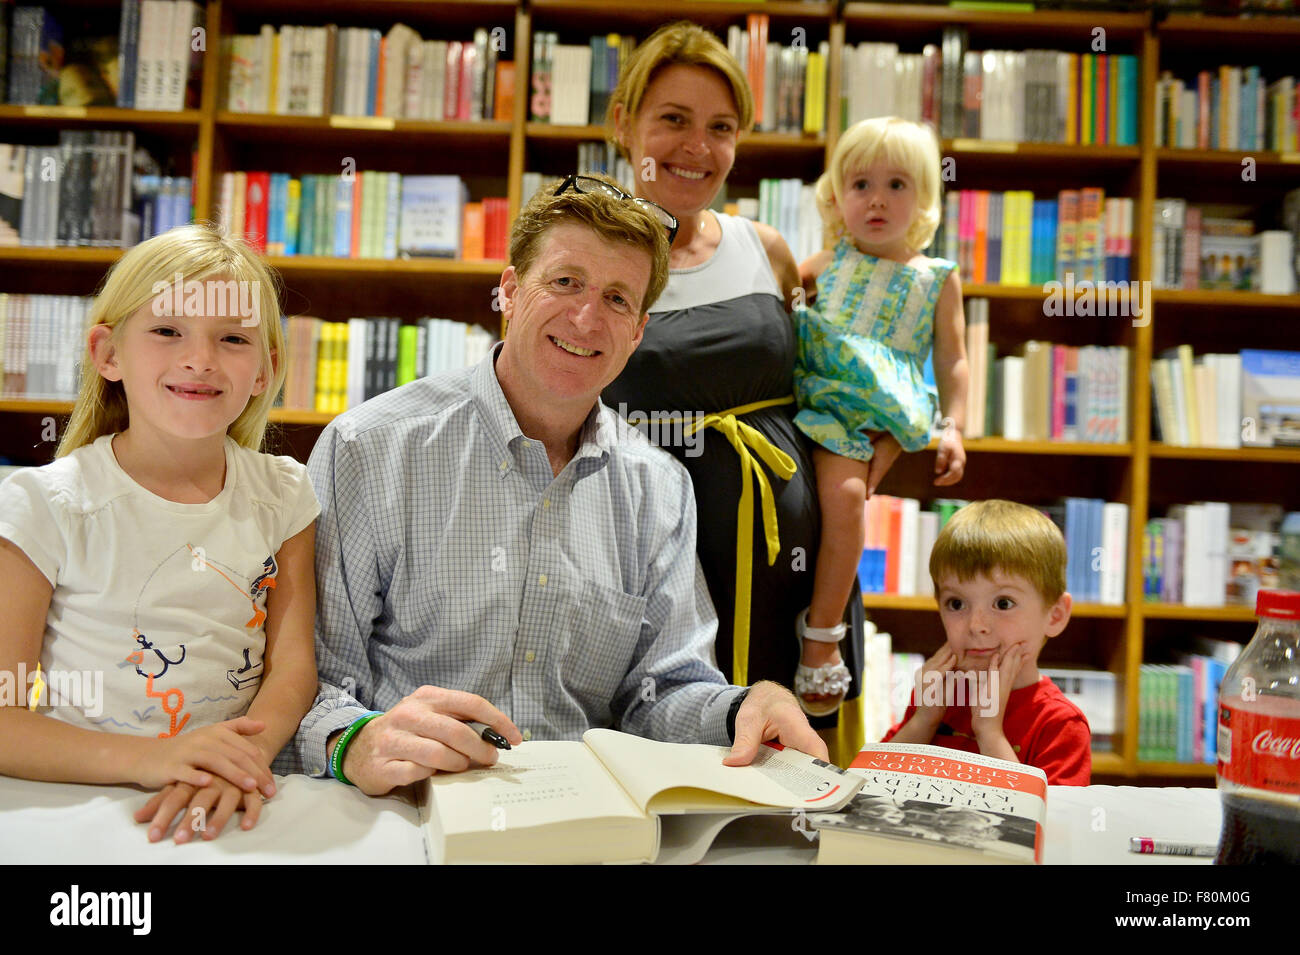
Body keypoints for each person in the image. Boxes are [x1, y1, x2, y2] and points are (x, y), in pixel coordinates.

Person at [281, 173, 825, 795]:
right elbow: (313, 683)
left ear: (638, 331)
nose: (588, 317)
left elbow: (661, 694)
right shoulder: (369, 449)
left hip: (582, 827)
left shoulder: (661, 489)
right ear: (510, 291)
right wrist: (353, 741)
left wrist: (739, 708)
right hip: (405, 810)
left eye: (618, 299)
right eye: (565, 282)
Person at [601, 21, 873, 762]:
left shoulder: (769, 251)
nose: (697, 146)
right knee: (667, 766)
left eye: (721, 127)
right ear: (623, 123)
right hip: (656, 567)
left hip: (793, 566)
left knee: (799, 787)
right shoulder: (591, 256)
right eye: (673, 120)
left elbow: (837, 389)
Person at [0, 224, 320, 842]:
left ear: (265, 369)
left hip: (233, 806)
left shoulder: (283, 494)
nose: (199, 359)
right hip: (80, 807)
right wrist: (152, 759)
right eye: (167, 330)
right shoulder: (44, 505)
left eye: (232, 338)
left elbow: (292, 667)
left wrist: (240, 760)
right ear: (108, 353)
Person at [794, 116, 969, 717]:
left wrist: (956, 427)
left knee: (845, 497)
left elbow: (954, 361)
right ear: (836, 196)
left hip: (869, 411)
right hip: (809, 399)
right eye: (860, 183)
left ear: (923, 198)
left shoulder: (936, 280)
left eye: (897, 185)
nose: (876, 199)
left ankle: (821, 638)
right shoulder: (820, 267)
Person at [882, 499, 1091, 785]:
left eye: (1003, 603)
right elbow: (872, 785)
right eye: (956, 604)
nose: (976, 626)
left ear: (1055, 616)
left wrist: (989, 733)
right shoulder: (939, 693)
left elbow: (1046, 822)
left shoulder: (1059, 723)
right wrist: (923, 721)